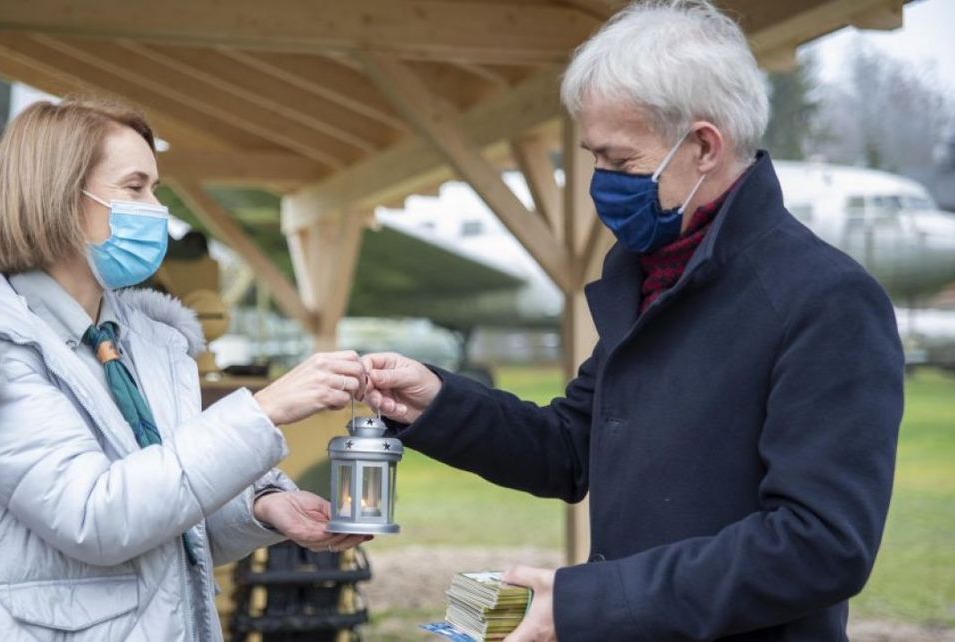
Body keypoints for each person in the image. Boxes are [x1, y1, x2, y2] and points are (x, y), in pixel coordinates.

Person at [363, 2, 904, 640]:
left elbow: (819, 546)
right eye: (596, 159)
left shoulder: (826, 300)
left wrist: (589, 603)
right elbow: (570, 447)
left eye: (621, 163)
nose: (602, 184)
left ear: (704, 146)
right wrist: (434, 404)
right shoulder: (654, 276)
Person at [0, 99, 369, 641]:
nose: (156, 209)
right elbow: (96, 517)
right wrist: (265, 410)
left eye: (155, 189)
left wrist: (262, 507)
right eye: (135, 187)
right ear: (61, 198)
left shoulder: (151, 343)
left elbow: (168, 507)